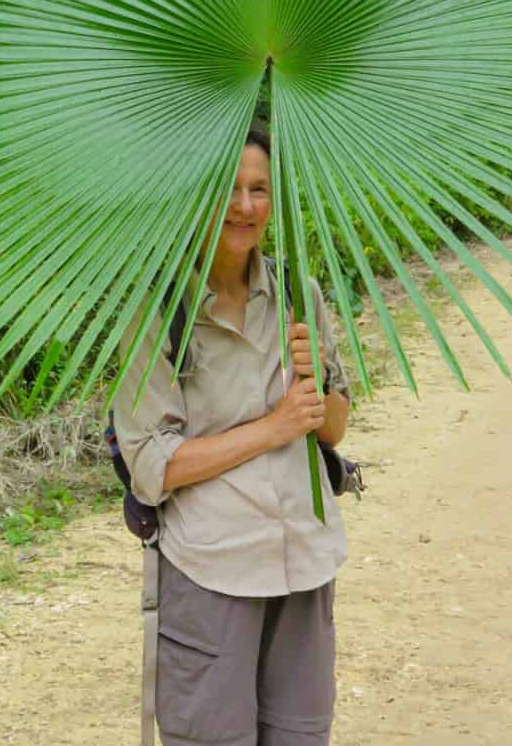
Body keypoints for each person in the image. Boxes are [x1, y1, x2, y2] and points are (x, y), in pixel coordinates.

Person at [112, 121, 351, 746]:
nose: (244, 208)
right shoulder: (159, 313)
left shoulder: (301, 295)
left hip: (303, 560)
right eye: (230, 189)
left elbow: (333, 430)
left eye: (260, 190)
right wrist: (271, 429)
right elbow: (151, 467)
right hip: (211, 569)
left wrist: (313, 378)